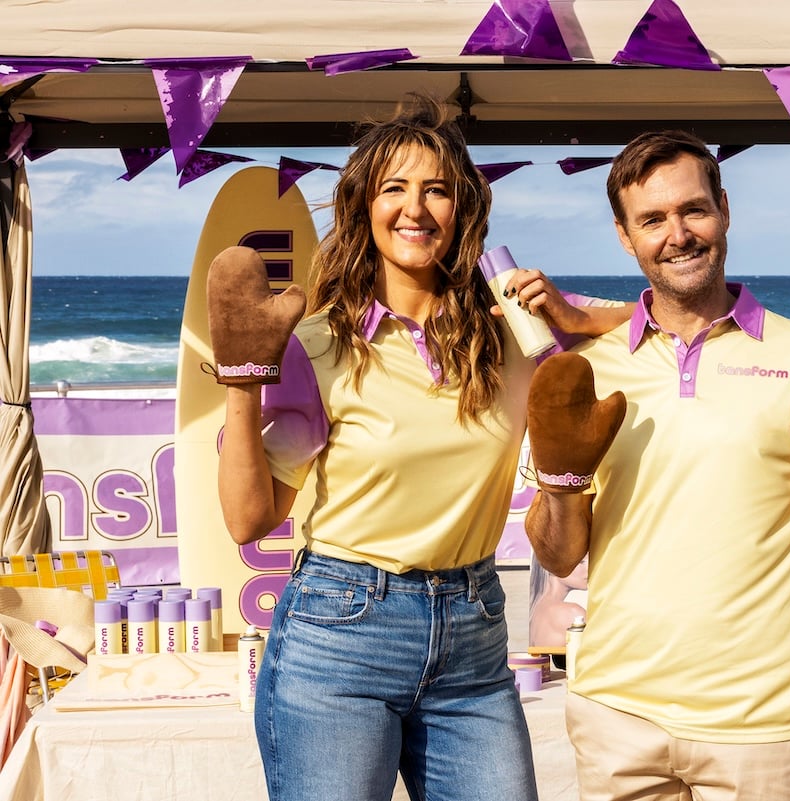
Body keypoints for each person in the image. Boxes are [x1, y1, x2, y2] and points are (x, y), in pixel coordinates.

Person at [208, 94, 632, 801]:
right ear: (363, 206)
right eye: (394, 188)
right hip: (340, 633)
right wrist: (242, 381)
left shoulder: (515, 331)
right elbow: (248, 518)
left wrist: (574, 316)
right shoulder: (318, 345)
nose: (415, 208)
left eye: (436, 189)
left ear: (463, 209)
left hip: (473, 636)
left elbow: (660, 325)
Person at [524, 129, 790, 801]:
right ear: (624, 236)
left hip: (763, 725)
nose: (678, 234)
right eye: (652, 220)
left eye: (693, 210)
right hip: (617, 715)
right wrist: (560, 482)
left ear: (724, 210)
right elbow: (558, 554)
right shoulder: (587, 369)